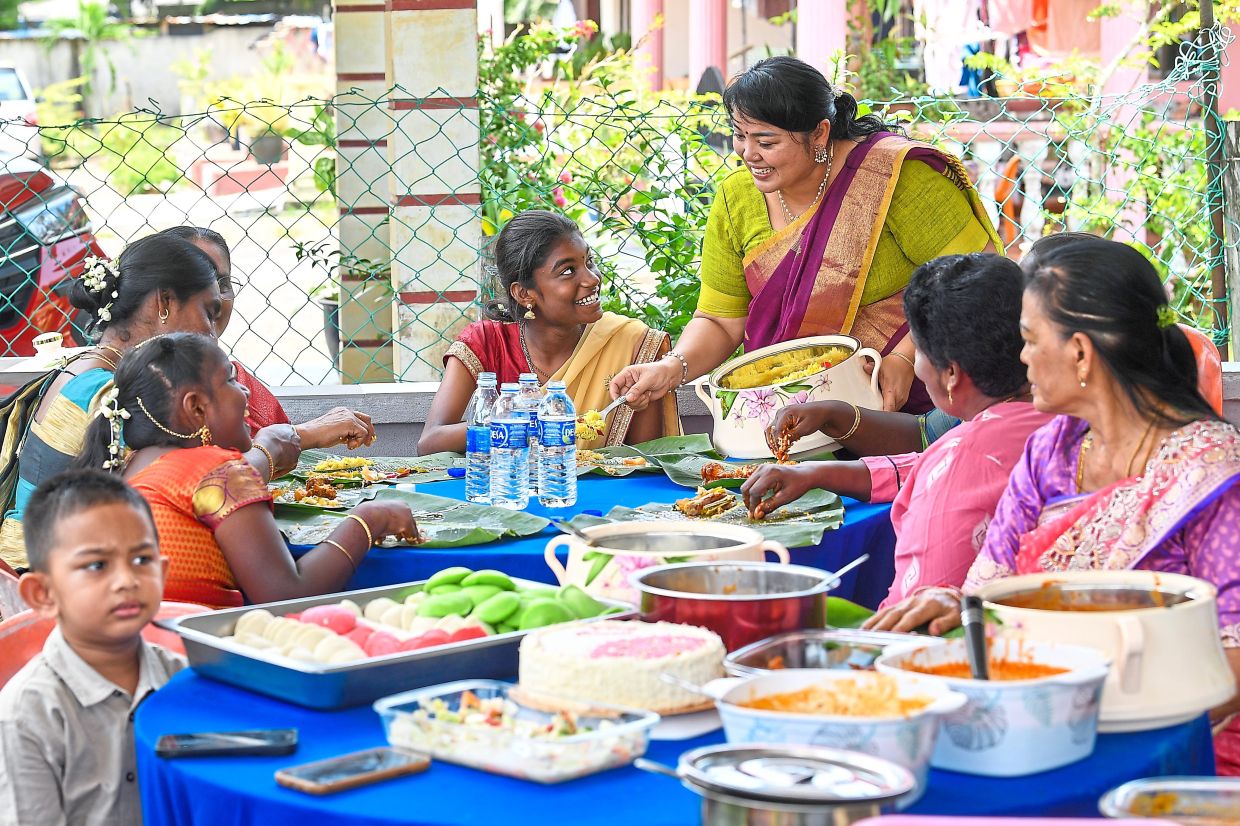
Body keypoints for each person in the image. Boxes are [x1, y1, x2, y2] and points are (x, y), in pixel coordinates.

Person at [864, 236, 1240, 773]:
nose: (1020, 358)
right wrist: (958, 607)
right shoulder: (1054, 450)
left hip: (1179, 745)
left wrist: (1077, 714)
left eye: (1030, 340)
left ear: (1080, 353)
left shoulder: (1212, 475)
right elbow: (988, 591)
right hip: (1049, 721)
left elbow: (1231, 666)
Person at [610, 56, 999, 417]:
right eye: (739, 136)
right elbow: (719, 319)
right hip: (788, 414)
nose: (748, 154)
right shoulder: (737, 197)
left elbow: (975, 278)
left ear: (819, 134)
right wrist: (670, 368)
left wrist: (902, 358)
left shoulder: (893, 176)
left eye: (766, 142)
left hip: (912, 405)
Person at [742, 253, 1051, 605]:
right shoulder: (1056, 420)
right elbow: (922, 465)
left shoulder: (958, 463)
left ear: (950, 374)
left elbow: (915, 608)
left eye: (917, 351)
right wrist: (815, 473)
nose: (915, 367)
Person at [76, 333, 419, 609]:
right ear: (196, 407)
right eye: (230, 380)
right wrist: (369, 519)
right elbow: (287, 596)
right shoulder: (218, 470)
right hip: (188, 653)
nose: (244, 391)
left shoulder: (130, 464)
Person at [0, 234, 227, 571]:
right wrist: (274, 449)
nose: (211, 333)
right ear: (163, 302)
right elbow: (190, 487)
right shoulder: (106, 392)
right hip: (42, 578)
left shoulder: (83, 367)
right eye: (209, 312)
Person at [0, 469, 184, 825]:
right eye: (97, 565)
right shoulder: (25, 717)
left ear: (162, 573)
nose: (126, 580)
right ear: (44, 594)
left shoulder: (182, 678)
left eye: (141, 560)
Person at [419, 210, 681, 453]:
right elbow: (431, 442)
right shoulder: (486, 343)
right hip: (507, 492)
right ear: (524, 294)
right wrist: (519, 425)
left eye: (589, 261)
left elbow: (645, 459)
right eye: (568, 271)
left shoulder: (631, 344)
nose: (592, 279)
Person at [158, 225, 378, 448]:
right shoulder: (138, 387)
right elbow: (212, 471)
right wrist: (306, 434)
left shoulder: (239, 382)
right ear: (161, 298)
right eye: (199, 285)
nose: (215, 299)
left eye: (223, 284)